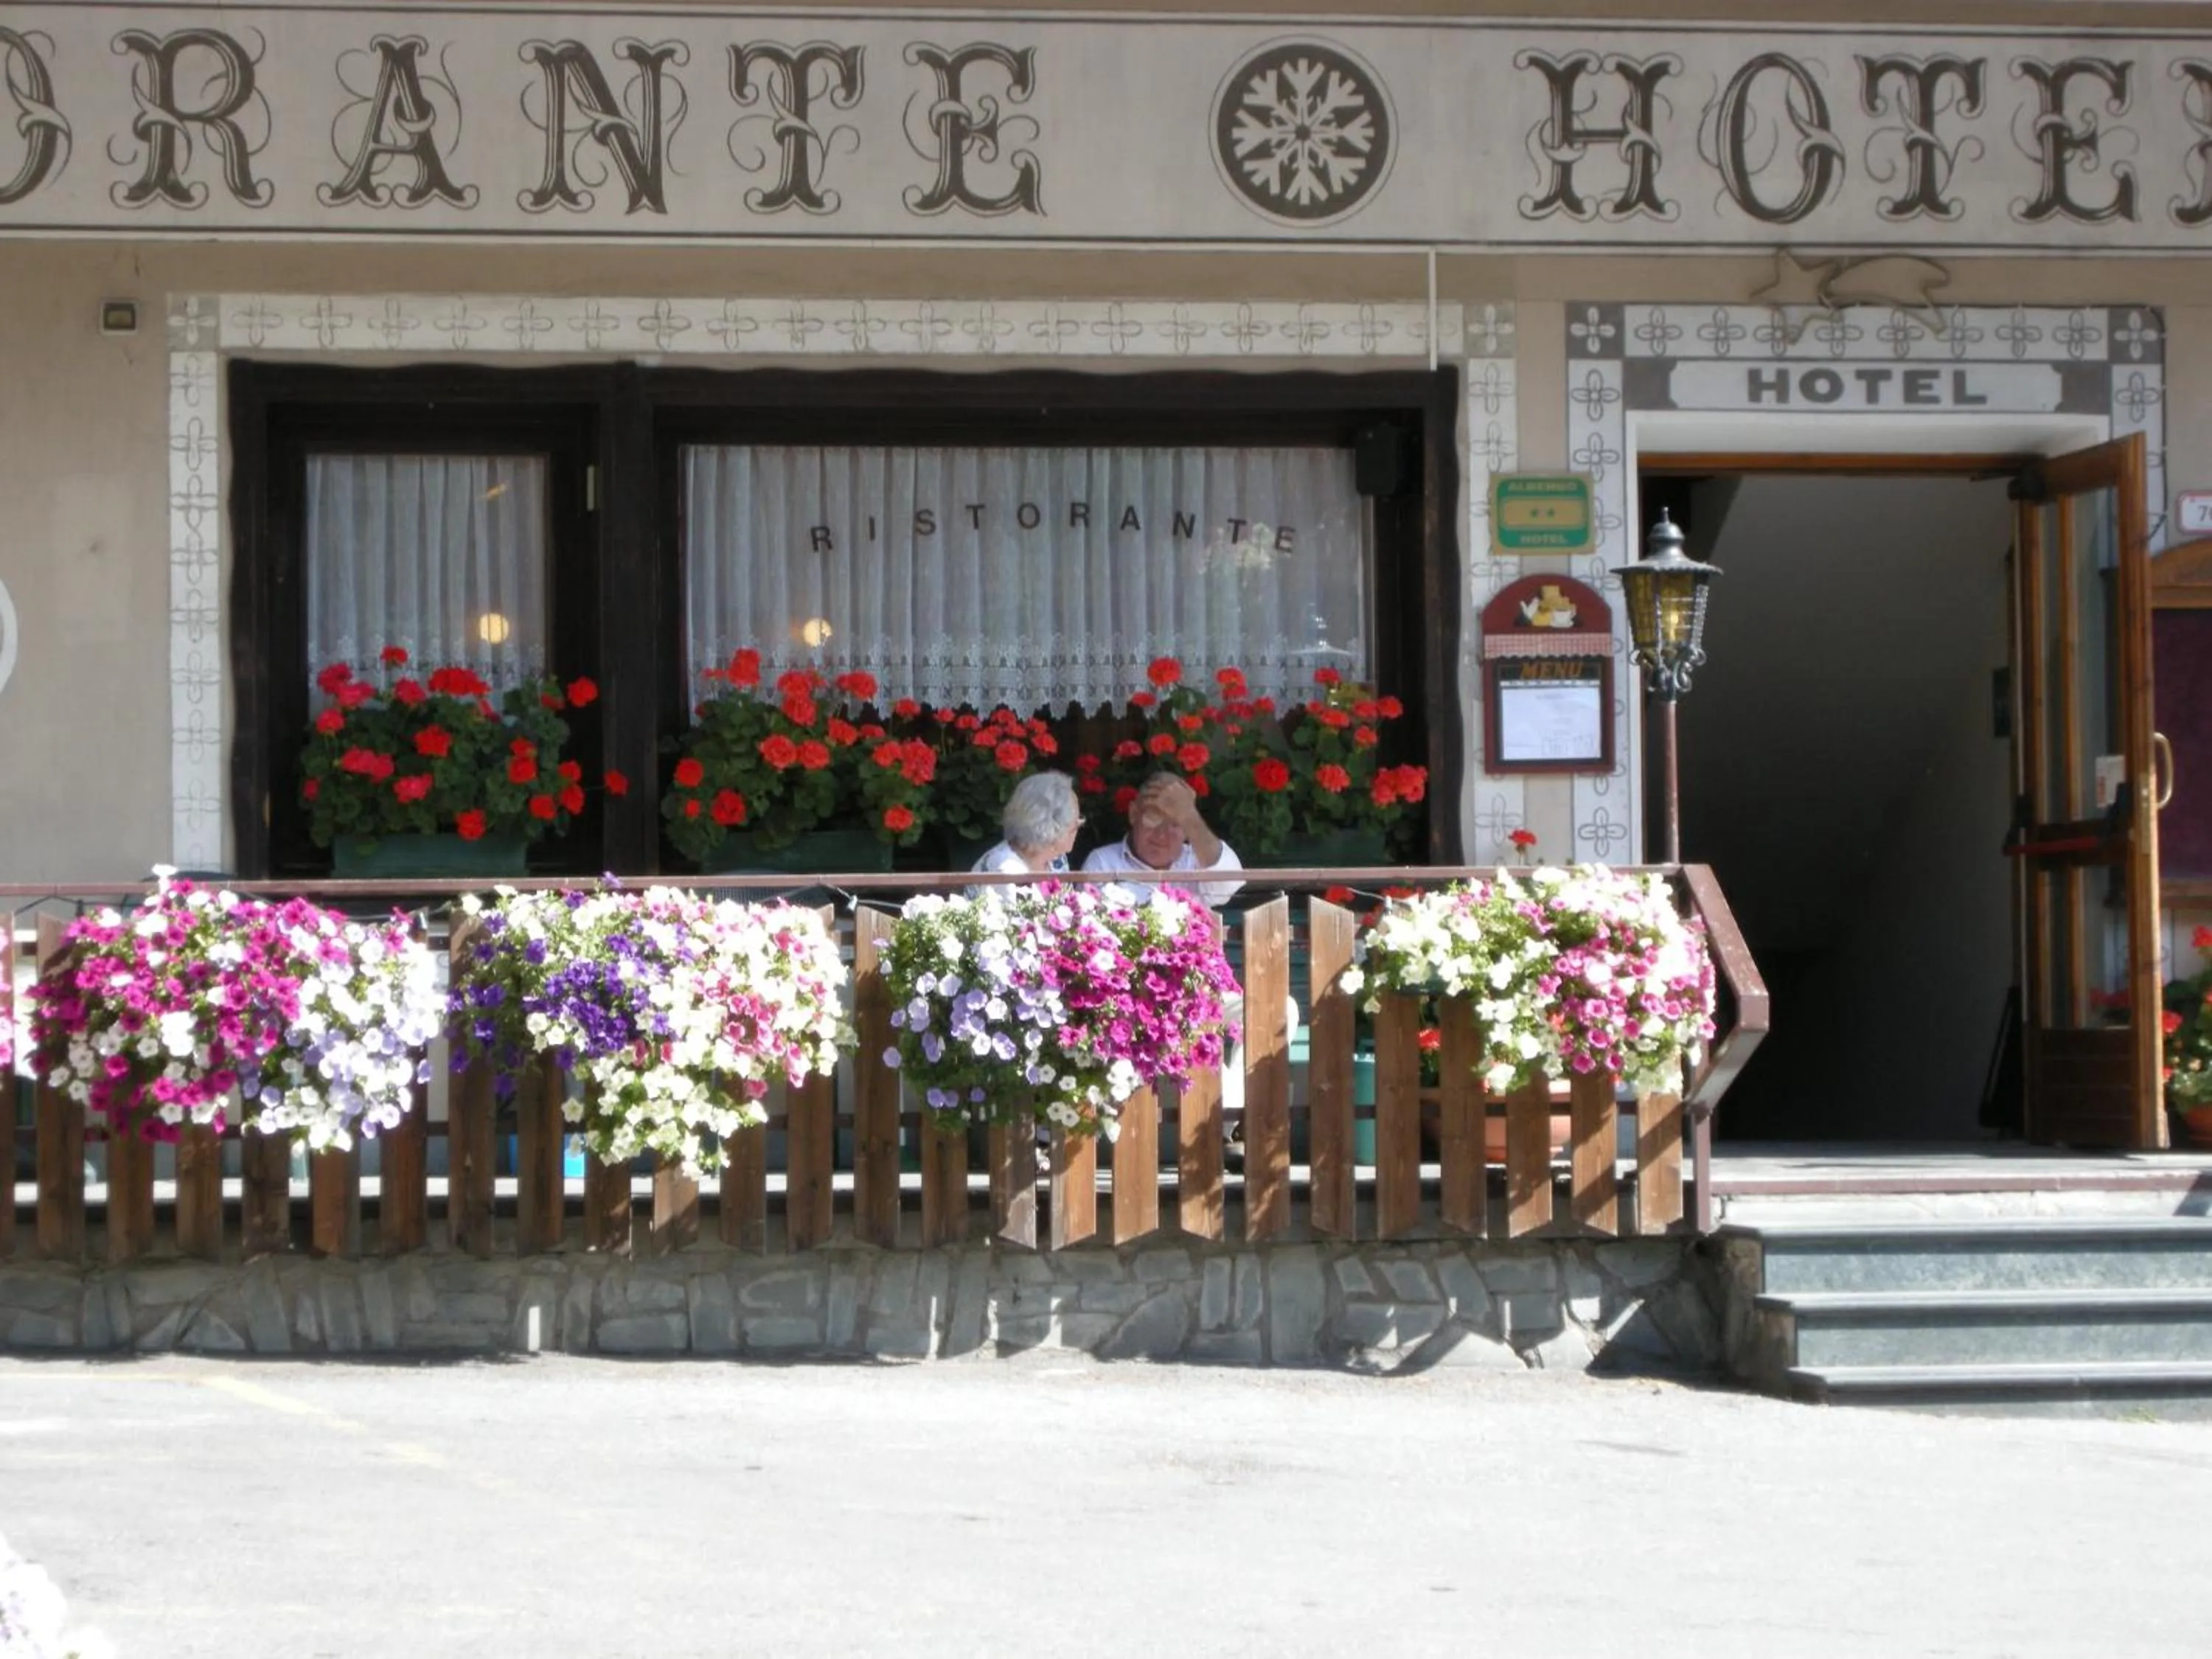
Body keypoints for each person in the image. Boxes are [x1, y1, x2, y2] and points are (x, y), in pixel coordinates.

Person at [1081, 771, 1245, 910]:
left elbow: (1229, 885)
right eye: (1153, 818)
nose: (1161, 835)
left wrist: (1189, 814)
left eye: (1175, 824)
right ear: (1133, 814)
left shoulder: (1198, 862)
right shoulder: (1103, 863)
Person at [970, 771, 1079, 887]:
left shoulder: (1057, 860)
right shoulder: (1004, 866)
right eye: (1075, 823)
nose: (1079, 826)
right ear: (1053, 826)